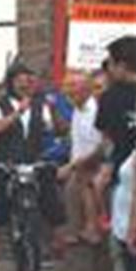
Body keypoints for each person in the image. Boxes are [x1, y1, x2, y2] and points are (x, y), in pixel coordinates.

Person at [0, 62, 59, 271]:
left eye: (28, 80)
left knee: (54, 205)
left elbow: (52, 128)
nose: (24, 84)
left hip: (34, 162)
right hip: (8, 163)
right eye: (19, 80)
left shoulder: (41, 105)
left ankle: (62, 252)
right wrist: (17, 113)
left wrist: (54, 110)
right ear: (11, 83)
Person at [95, 36, 136, 271]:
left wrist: (103, 175)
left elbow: (109, 145)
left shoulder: (110, 99)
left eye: (110, 64)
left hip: (126, 184)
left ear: (122, 66)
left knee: (127, 269)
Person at [57, 71, 102, 245]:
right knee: (70, 187)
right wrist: (71, 166)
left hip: (97, 161)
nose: (69, 94)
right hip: (81, 163)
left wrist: (72, 167)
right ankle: (75, 231)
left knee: (82, 183)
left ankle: (91, 229)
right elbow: (78, 144)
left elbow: (98, 146)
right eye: (67, 89)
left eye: (74, 89)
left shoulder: (95, 110)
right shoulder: (77, 111)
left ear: (86, 90)